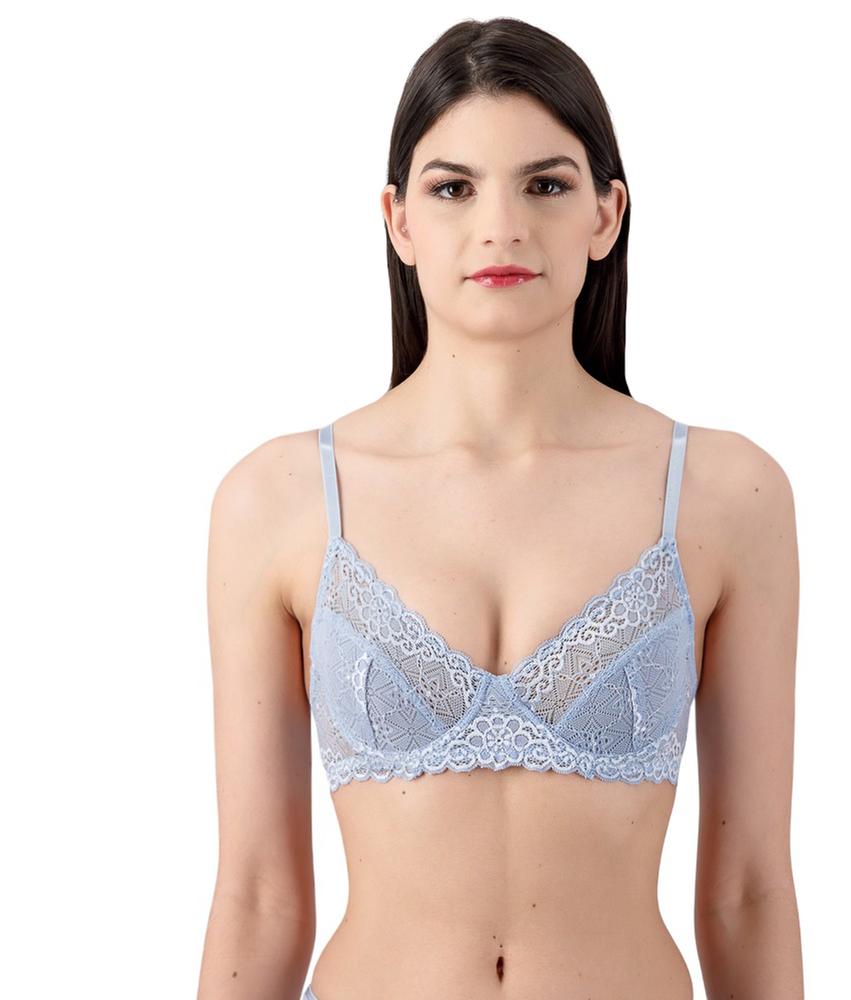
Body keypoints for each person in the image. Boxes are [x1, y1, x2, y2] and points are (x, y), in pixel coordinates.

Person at [197, 17, 803, 1000]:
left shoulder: (725, 494)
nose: (501, 227)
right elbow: (260, 896)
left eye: (545, 185)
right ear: (398, 219)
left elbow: (748, 892)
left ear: (606, 214)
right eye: (453, 188)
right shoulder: (279, 500)